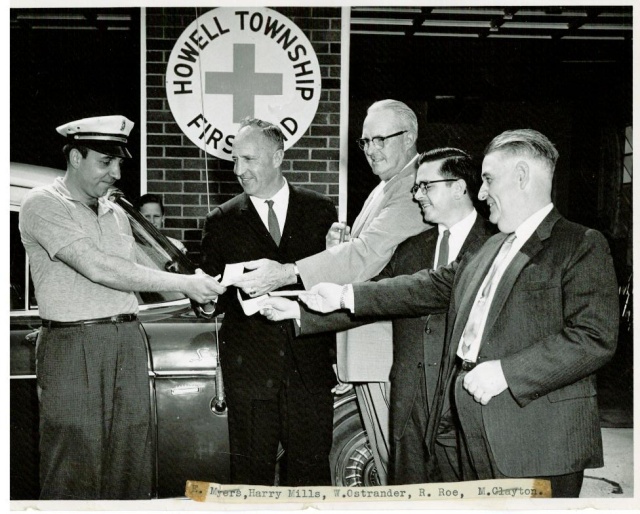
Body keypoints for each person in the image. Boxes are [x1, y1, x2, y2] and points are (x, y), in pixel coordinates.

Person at [273, 129, 619, 497]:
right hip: (473, 429)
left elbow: (594, 337)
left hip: (537, 440)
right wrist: (341, 295)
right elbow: (426, 286)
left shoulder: (579, 244)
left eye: (488, 180)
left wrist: (507, 372)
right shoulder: (491, 248)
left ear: (521, 176)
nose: (481, 192)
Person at [19, 115, 225, 500]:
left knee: (130, 464)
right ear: (75, 157)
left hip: (127, 341)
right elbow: (100, 268)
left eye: (119, 163)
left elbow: (148, 271)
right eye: (105, 161)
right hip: (73, 345)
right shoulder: (43, 204)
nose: (116, 172)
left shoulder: (116, 212)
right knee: (73, 466)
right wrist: (186, 284)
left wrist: (206, 290)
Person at [261, 147, 495, 484]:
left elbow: (420, 292)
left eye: (426, 186)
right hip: (412, 402)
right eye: (416, 187)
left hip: (469, 398)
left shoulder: (493, 244)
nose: (417, 197)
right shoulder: (412, 248)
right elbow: (374, 299)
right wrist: (300, 310)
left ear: (459, 186)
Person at [230, 100, 430, 481]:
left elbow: (368, 255)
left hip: (389, 349)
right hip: (371, 348)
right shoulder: (386, 186)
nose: (371, 149)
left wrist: (287, 272)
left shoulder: (410, 187)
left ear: (410, 137)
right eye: (365, 141)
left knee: (398, 470)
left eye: (380, 139)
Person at [199, 118, 337, 486]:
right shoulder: (220, 220)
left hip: (309, 371)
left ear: (278, 157)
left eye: (248, 159)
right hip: (251, 375)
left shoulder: (321, 211)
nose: (238, 170)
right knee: (250, 478)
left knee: (310, 475)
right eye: (234, 160)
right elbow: (209, 299)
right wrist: (206, 300)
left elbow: (333, 281)